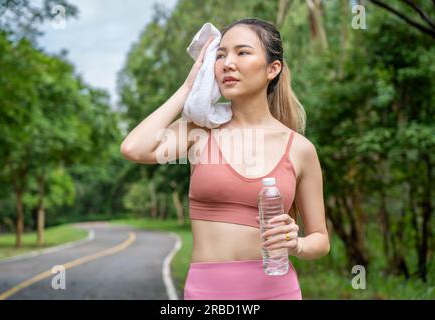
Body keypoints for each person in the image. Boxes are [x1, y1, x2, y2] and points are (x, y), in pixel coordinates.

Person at [120, 17, 330, 300]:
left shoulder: (300, 149)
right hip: (207, 293)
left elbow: (320, 238)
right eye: (220, 55)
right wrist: (188, 88)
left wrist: (298, 244)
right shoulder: (200, 132)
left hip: (277, 291)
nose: (227, 63)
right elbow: (134, 148)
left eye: (242, 52)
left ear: (273, 68)